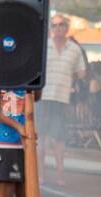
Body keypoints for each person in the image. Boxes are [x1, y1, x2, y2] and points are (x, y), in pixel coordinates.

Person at [38, 14, 88, 186]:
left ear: (67, 28)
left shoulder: (74, 49)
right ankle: (40, 175)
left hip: (61, 98)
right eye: (54, 25)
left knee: (59, 138)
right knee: (41, 137)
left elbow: (82, 72)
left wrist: (69, 78)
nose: (57, 28)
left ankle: (60, 176)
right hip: (43, 97)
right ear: (51, 28)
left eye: (61, 25)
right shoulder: (44, 47)